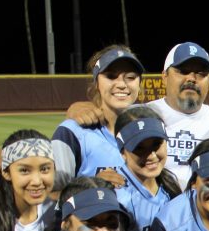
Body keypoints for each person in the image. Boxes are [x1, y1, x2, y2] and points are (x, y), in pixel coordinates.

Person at [67, 41, 209, 190]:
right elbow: (106, 112)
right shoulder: (139, 115)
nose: (192, 78)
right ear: (164, 76)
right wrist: (79, 108)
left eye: (201, 74)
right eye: (182, 71)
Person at [52, 46, 145, 188]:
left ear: (139, 84)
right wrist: (91, 186)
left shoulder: (150, 127)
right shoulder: (72, 133)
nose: (121, 84)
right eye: (111, 76)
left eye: (130, 77)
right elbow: (53, 197)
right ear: (96, 83)